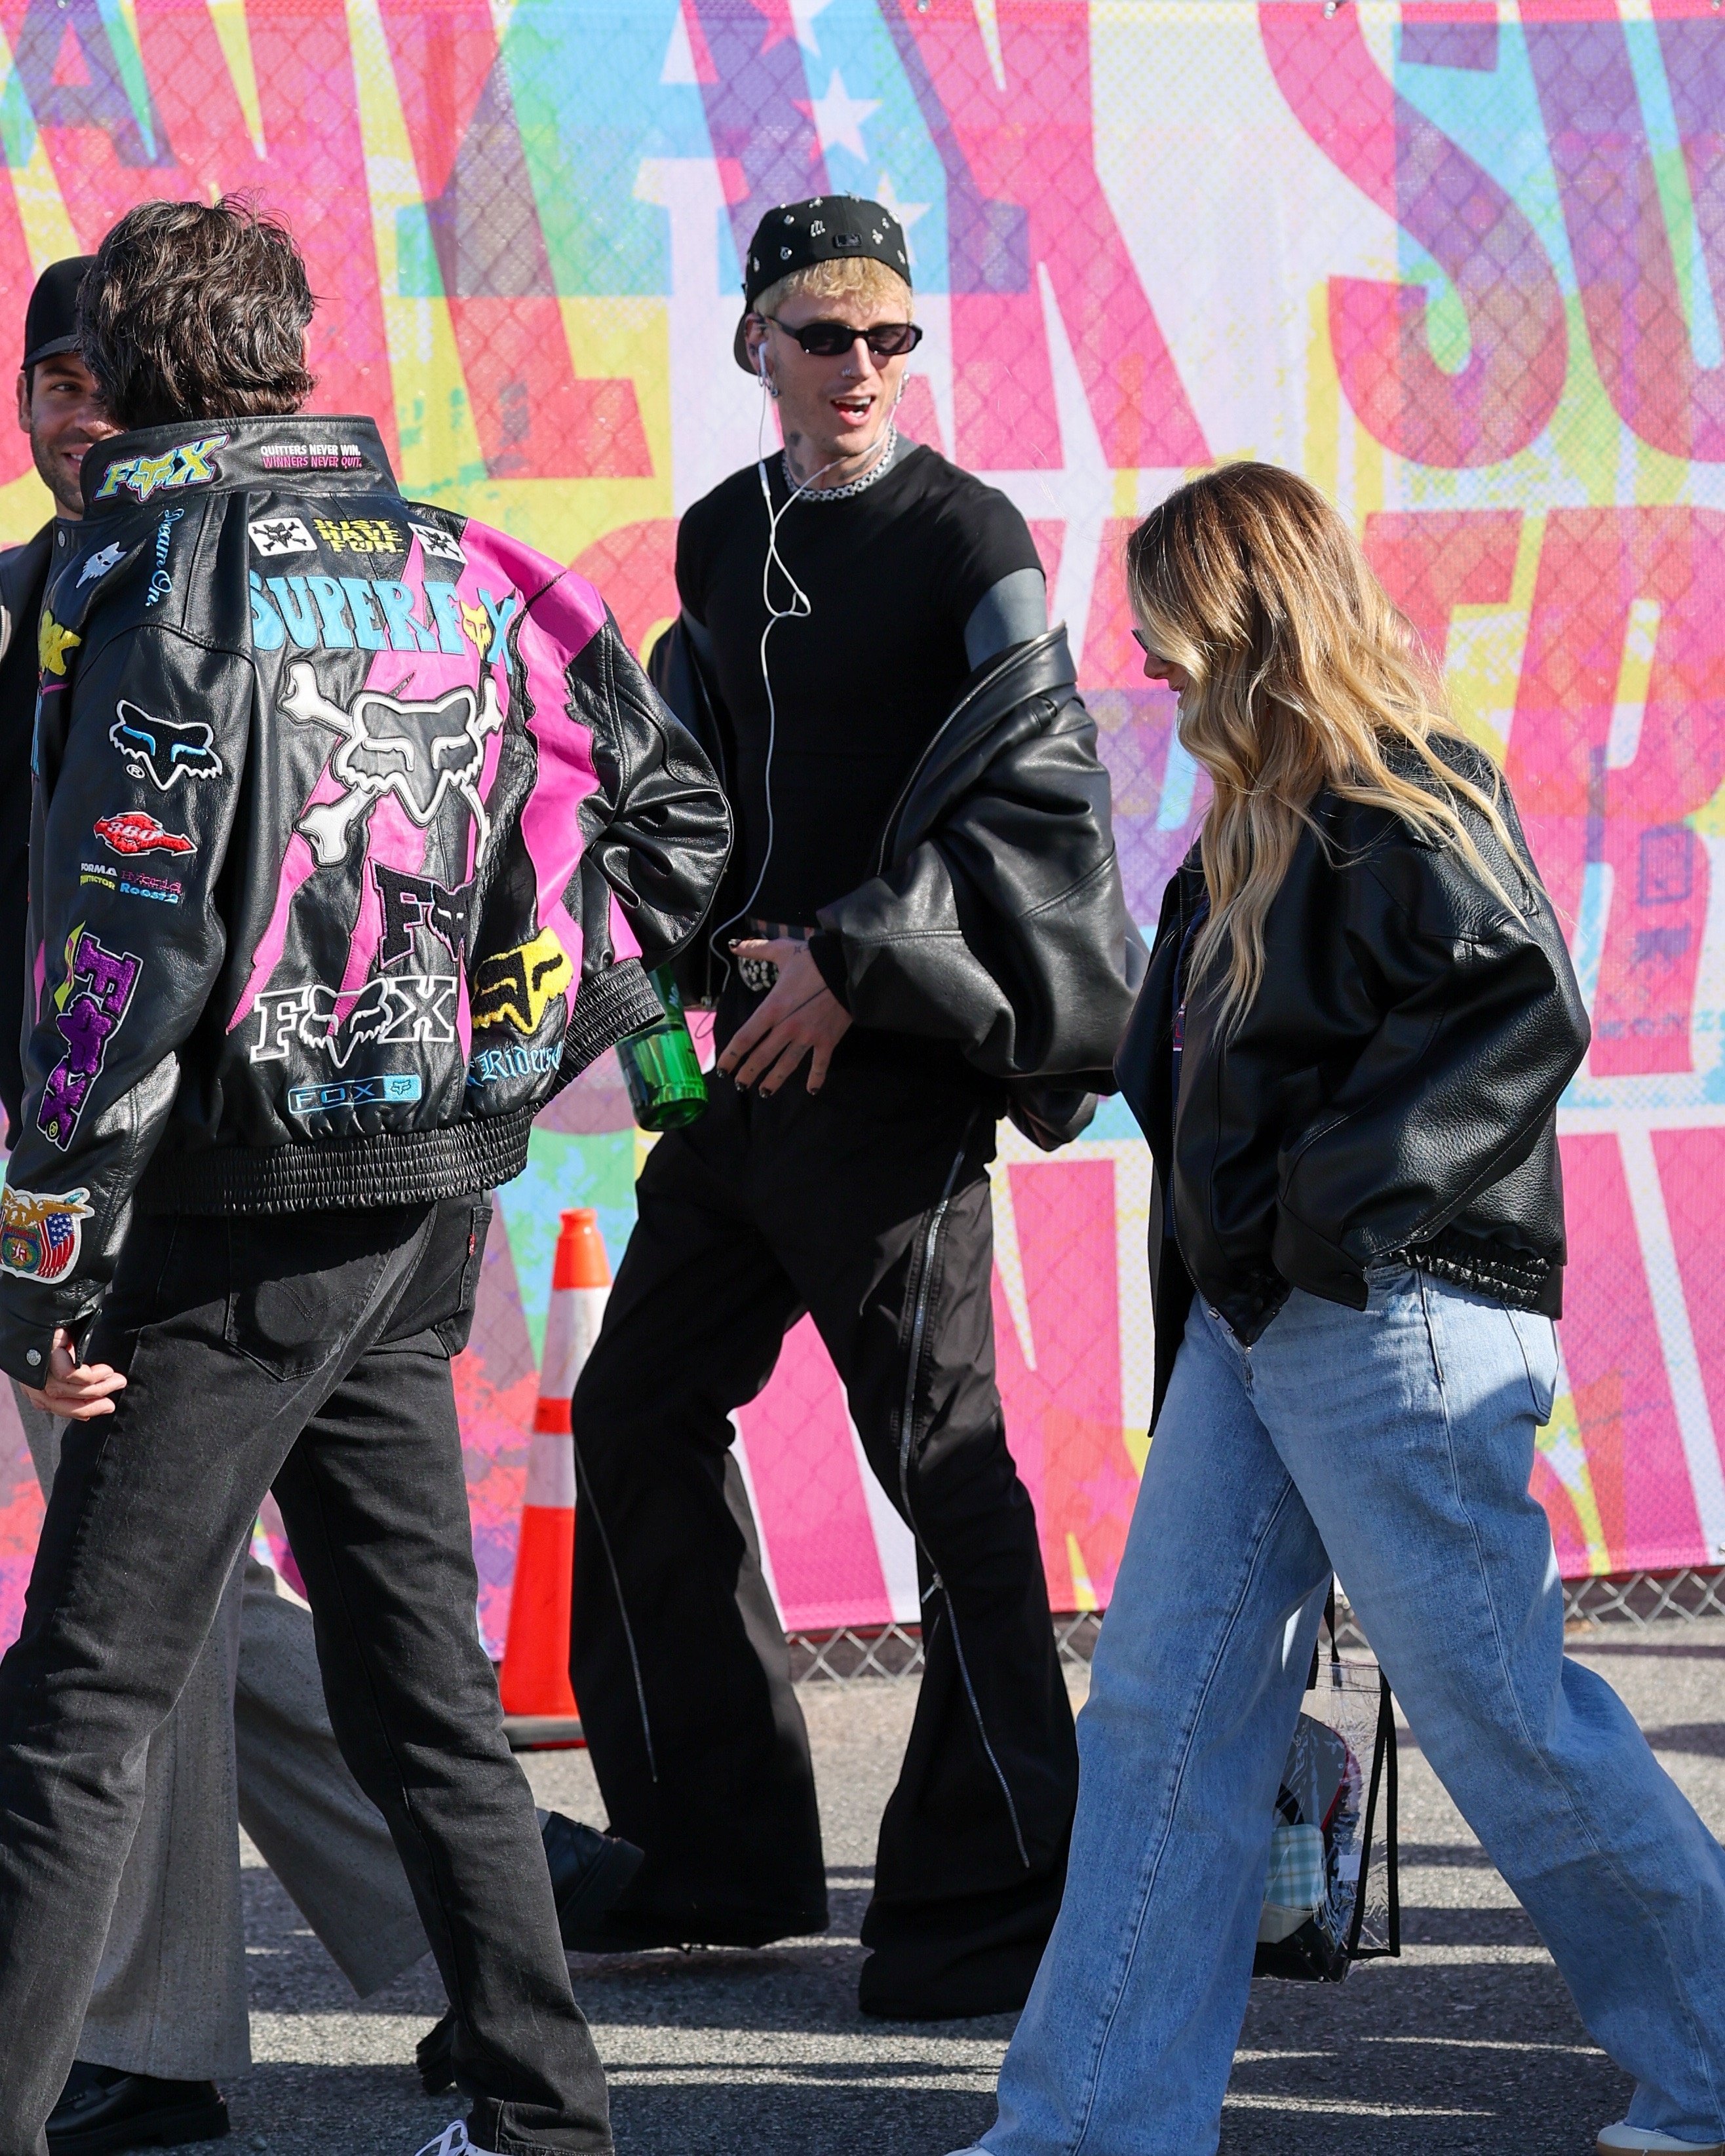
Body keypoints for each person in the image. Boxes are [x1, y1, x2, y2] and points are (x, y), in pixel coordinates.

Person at [0, 195, 728, 2156]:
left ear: (141, 365)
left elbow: (121, 954)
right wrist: (492, 1055)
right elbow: (669, 815)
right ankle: (540, 2111)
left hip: (224, 1222)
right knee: (423, 1693)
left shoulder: (156, 573)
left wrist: (47, 1257)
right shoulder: (459, 563)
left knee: (73, 1717)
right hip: (418, 1213)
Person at [949, 461, 1725, 2156]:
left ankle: (1719, 2052)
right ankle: (1088, 2124)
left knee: (1504, 1715)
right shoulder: (1249, 823)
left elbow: (1523, 1003)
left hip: (1393, 1310)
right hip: (1268, 1327)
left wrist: (1324, 1218)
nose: (1145, 667)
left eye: (1167, 632)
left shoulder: (1403, 785)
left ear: (1244, 616)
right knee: (1162, 1716)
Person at [568, 195, 1142, 2020]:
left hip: (885, 1081)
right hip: (738, 1081)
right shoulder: (721, 534)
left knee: (950, 1488)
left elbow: (1042, 785)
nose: (865, 372)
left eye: (894, 337)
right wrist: (659, 983)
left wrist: (859, 958)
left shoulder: (967, 533)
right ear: (759, 345)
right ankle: (721, 1861)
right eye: (827, 338)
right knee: (636, 1410)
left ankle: (1002, 1905)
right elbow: (687, 783)